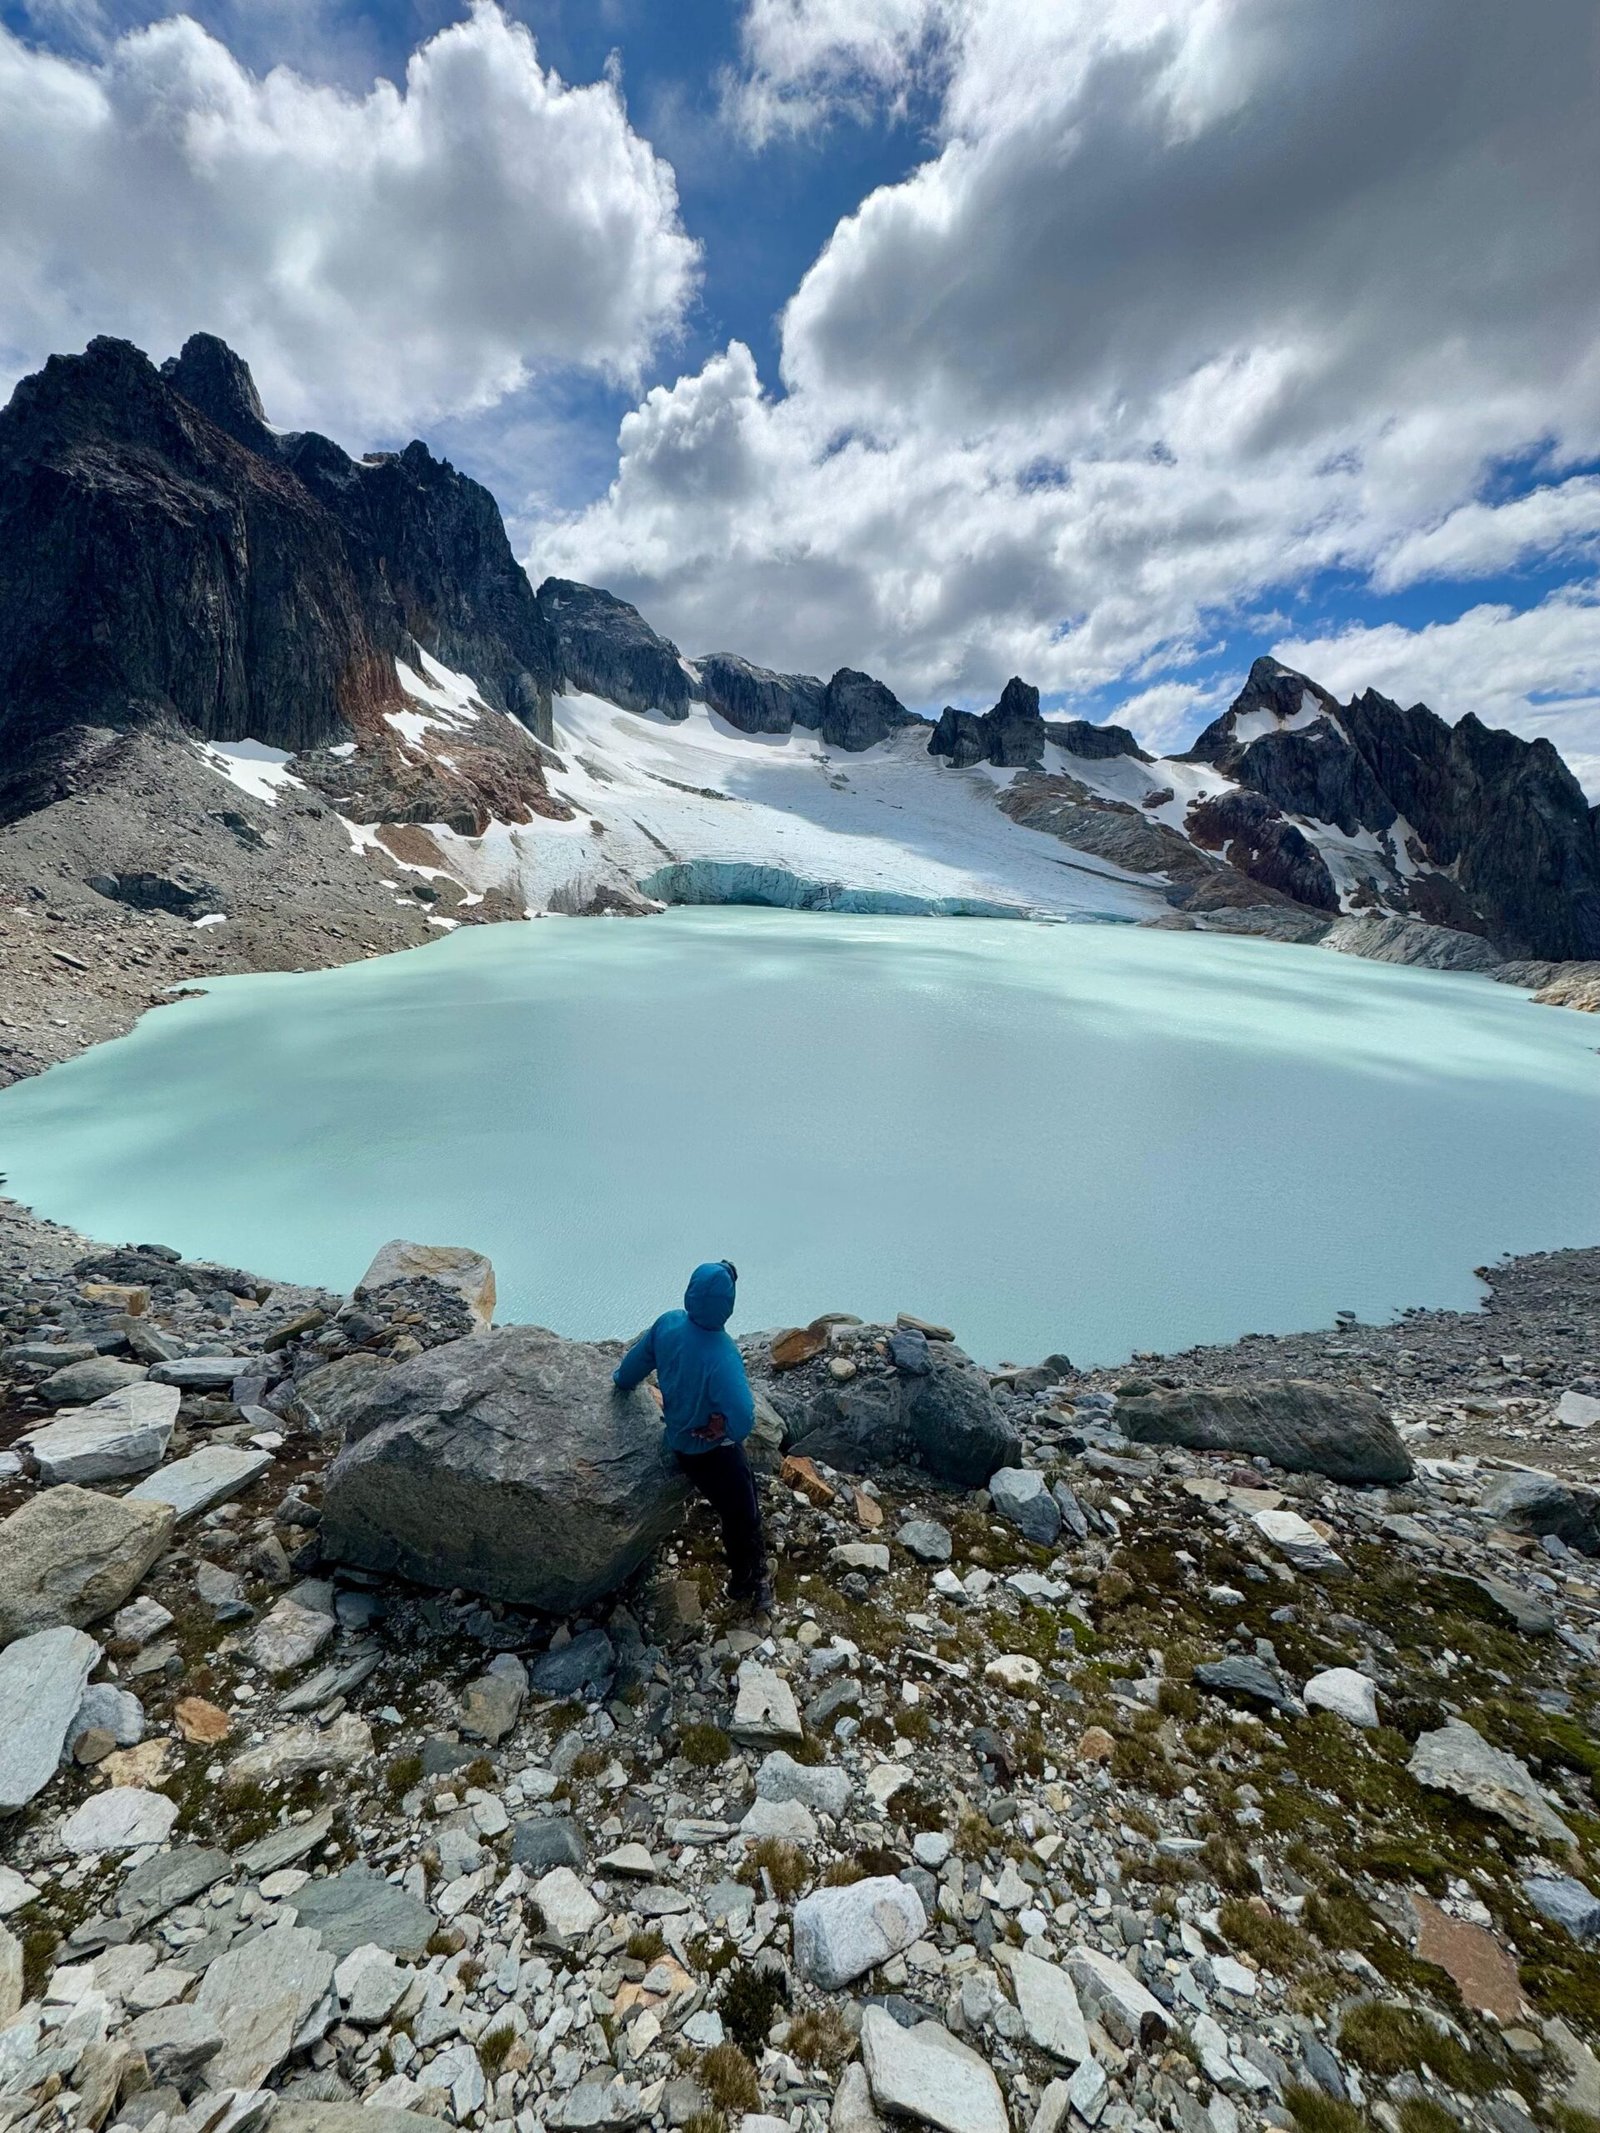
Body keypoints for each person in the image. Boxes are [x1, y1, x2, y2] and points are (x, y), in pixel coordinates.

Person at [612, 1259, 772, 1613]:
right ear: (726, 1305)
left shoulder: (668, 1324)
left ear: (690, 1292)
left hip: (679, 1441)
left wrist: (620, 1382)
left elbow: (634, 1365)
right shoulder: (723, 1353)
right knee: (741, 1512)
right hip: (712, 1450)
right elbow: (744, 1419)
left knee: (728, 1503)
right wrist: (723, 1428)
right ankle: (750, 1580)